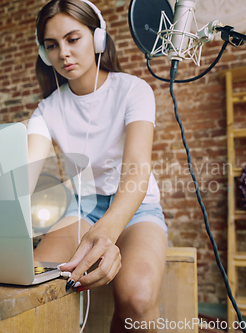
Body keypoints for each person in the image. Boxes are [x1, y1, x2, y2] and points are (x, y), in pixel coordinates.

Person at [27, 0, 168, 331]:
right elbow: (27, 172)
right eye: (52, 45)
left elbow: (137, 170)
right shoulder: (46, 110)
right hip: (82, 209)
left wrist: (107, 229)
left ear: (98, 39)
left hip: (137, 207)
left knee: (138, 298)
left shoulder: (134, 90)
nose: (63, 53)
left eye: (73, 39)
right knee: (35, 276)